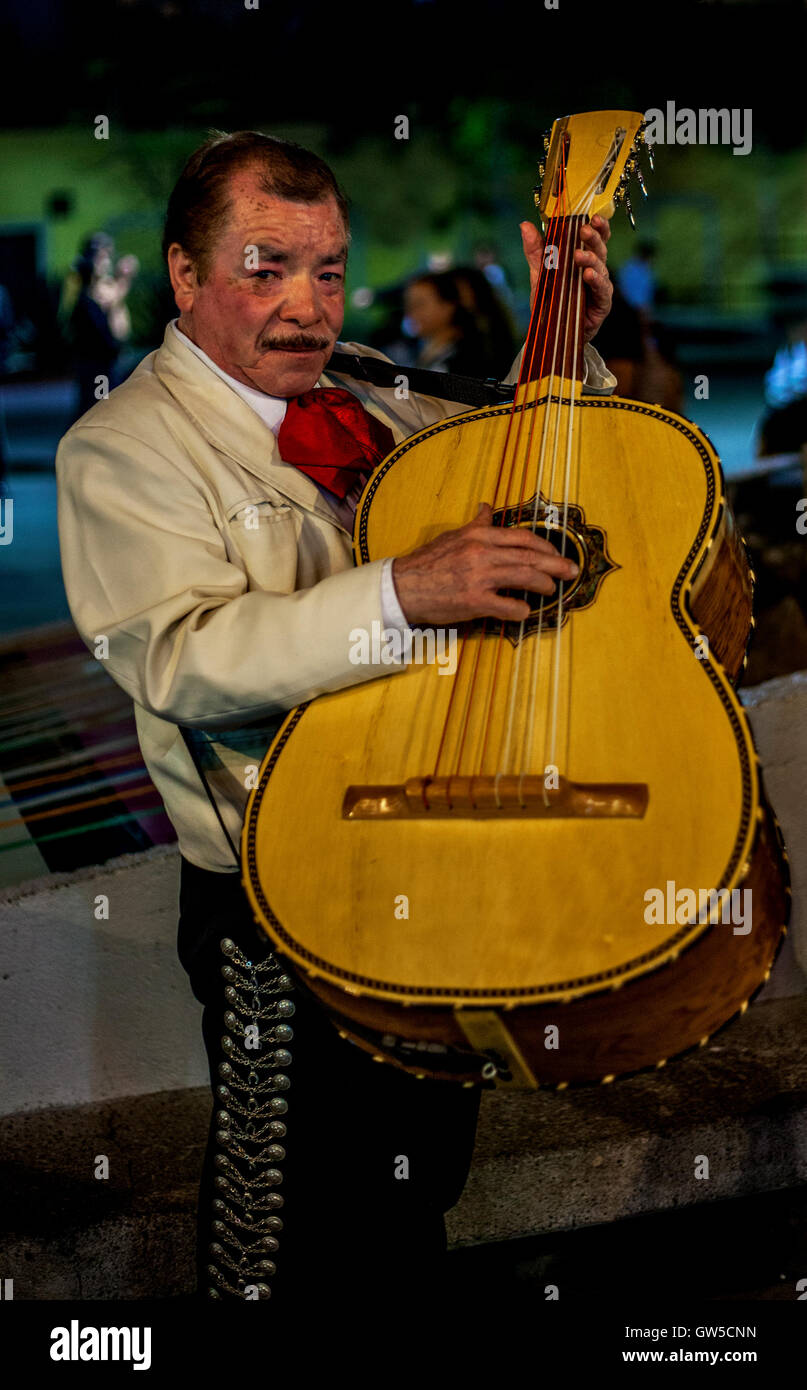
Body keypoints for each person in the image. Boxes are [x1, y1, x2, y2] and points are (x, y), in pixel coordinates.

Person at [55, 130, 615, 1310]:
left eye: (328, 268)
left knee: (417, 1191)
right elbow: (178, 658)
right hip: (282, 904)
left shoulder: (362, 386)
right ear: (185, 274)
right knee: (298, 1230)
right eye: (266, 267)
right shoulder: (120, 449)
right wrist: (408, 590)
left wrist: (568, 347)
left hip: (428, 850)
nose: (307, 306)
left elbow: (519, 484)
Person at [66, 233, 139, 419]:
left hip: (107, 363)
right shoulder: (82, 286)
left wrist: (123, 280)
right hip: (94, 363)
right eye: (99, 256)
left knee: (104, 409)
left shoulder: (107, 287)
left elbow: (120, 330)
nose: (104, 262)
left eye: (106, 256)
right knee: (97, 410)